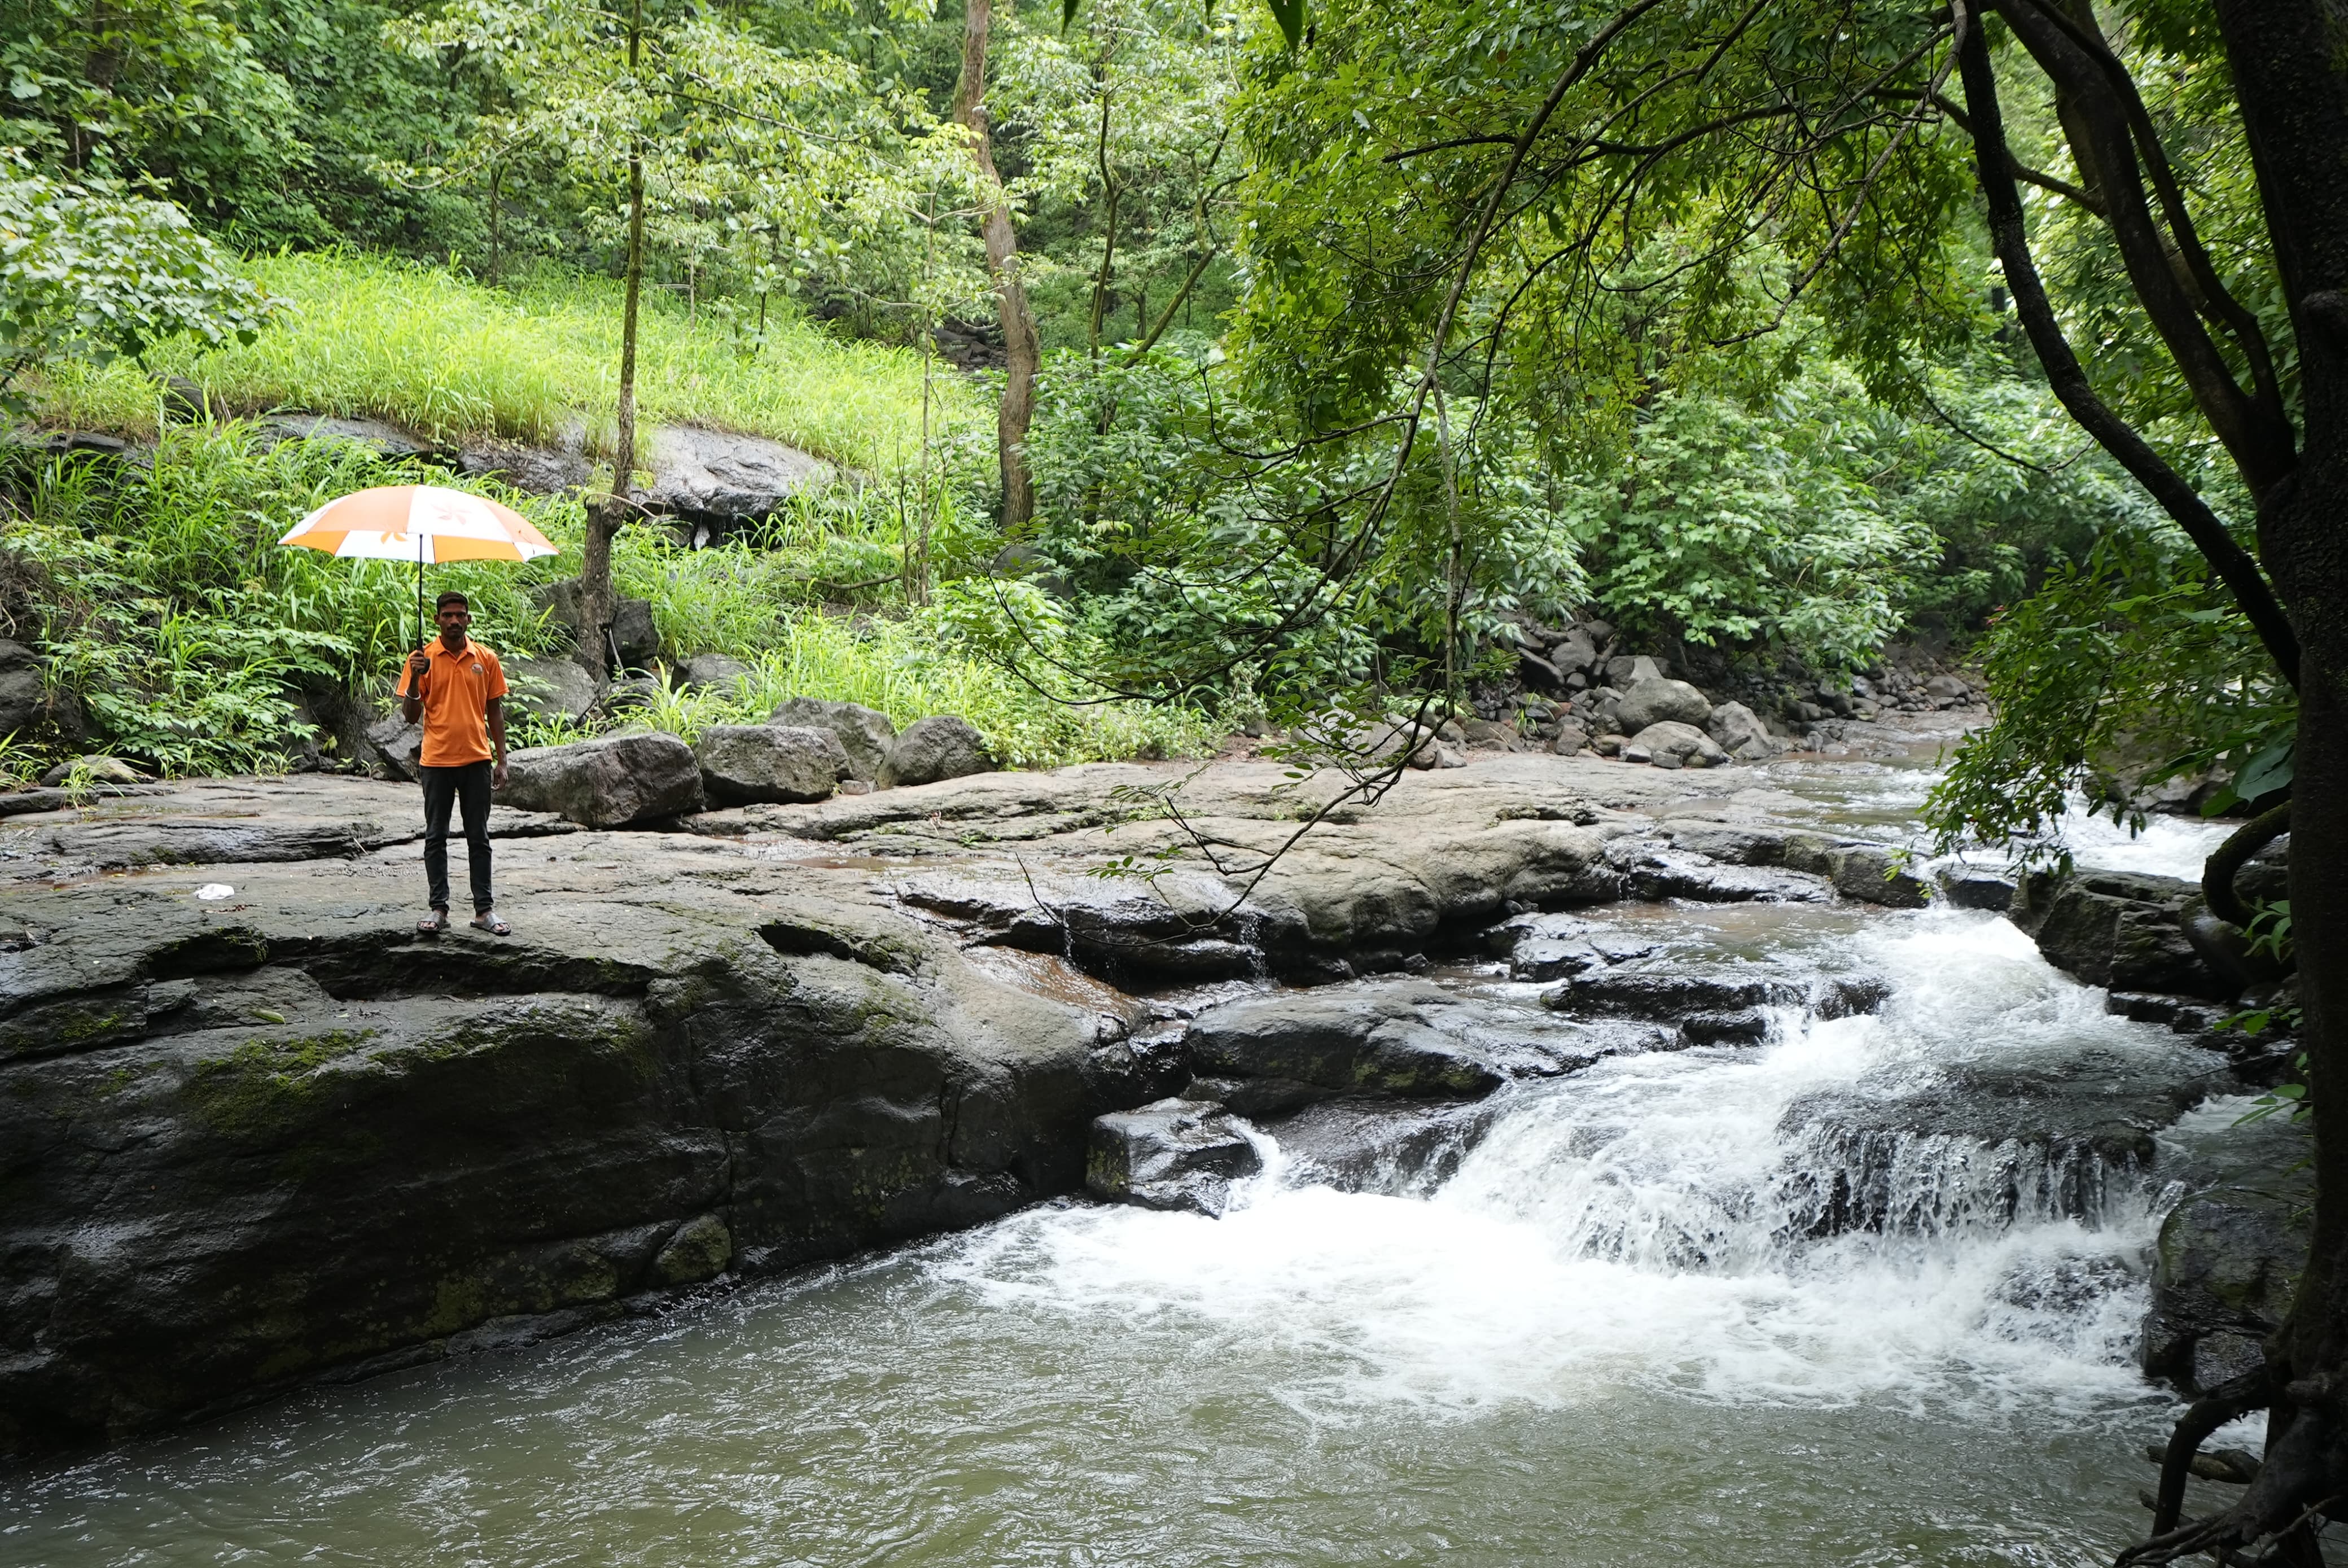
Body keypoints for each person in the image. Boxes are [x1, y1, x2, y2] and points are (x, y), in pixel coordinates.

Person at [396, 590, 511, 936]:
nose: (454, 621)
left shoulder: (485, 658)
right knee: (436, 836)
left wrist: (502, 760)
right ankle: (439, 908)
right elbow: (410, 716)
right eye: (447, 615)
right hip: (437, 762)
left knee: (479, 837)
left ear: (469, 620)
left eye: (460, 615)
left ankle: (484, 911)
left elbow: (495, 711)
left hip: (477, 759)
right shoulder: (422, 659)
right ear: (437, 620)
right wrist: (415, 677)